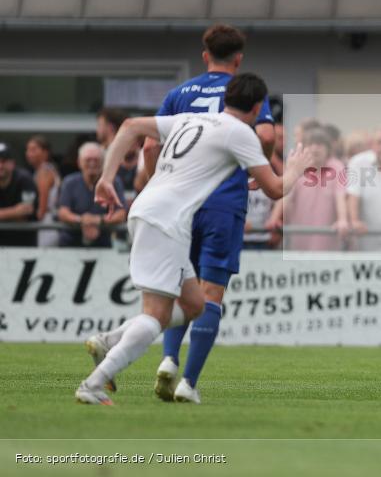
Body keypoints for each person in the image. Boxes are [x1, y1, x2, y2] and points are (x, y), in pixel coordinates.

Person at [76, 73, 310, 405]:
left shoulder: (190, 118)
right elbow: (273, 189)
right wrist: (297, 169)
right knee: (155, 316)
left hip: (151, 211)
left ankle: (109, 340)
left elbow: (129, 126)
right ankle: (93, 384)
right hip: (166, 220)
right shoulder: (240, 133)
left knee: (194, 305)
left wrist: (106, 178)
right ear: (258, 107)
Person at [138, 24, 276, 403]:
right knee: (210, 293)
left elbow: (150, 145)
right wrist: (255, 166)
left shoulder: (179, 93)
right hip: (222, 203)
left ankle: (168, 358)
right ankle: (189, 384)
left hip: (180, 205)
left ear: (204, 55)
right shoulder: (245, 93)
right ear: (239, 58)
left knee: (180, 285)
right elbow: (264, 136)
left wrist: (159, 182)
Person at [270, 127, 350, 252]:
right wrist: (274, 219)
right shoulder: (298, 165)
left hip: (327, 241)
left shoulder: (336, 166)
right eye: (311, 144)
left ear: (328, 149)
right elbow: (285, 195)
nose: (315, 148)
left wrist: (342, 220)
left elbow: (340, 196)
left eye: (319, 144)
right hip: (299, 238)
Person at [57, 143, 126, 248]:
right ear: (79, 162)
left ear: (103, 163)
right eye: (88, 160)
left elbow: (121, 214)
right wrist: (81, 220)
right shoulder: (69, 182)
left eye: (96, 160)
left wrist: (98, 220)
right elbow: (62, 212)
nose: (92, 163)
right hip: (71, 243)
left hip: (104, 244)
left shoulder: (113, 182)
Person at [25, 135, 61, 247]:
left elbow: (42, 207)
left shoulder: (44, 171)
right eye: (28, 150)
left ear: (45, 152)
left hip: (46, 224)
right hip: (50, 221)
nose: (28, 153)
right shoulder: (46, 169)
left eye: (33, 150)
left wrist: (34, 220)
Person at [0, 142, 37, 247]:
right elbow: (18, 213)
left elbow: (25, 213)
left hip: (22, 244)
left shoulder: (24, 179)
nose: (0, 165)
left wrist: (4, 214)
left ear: (12, 163)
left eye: (4, 161)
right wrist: (14, 211)